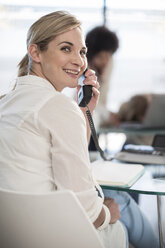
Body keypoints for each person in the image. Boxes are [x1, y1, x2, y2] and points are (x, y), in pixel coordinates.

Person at [0, 11, 128, 248]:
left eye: (82, 52)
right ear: (35, 52)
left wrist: (84, 112)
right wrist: (108, 214)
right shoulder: (57, 106)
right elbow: (85, 210)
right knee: (124, 207)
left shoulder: (5, 102)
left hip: (15, 233)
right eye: (66, 49)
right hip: (57, 235)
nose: (79, 61)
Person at [86, 26, 159, 247]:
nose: (107, 61)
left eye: (109, 57)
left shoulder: (96, 75)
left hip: (91, 150)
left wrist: (109, 113)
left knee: (127, 156)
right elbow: (89, 110)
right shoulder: (82, 78)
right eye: (103, 56)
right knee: (122, 192)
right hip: (88, 153)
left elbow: (97, 108)